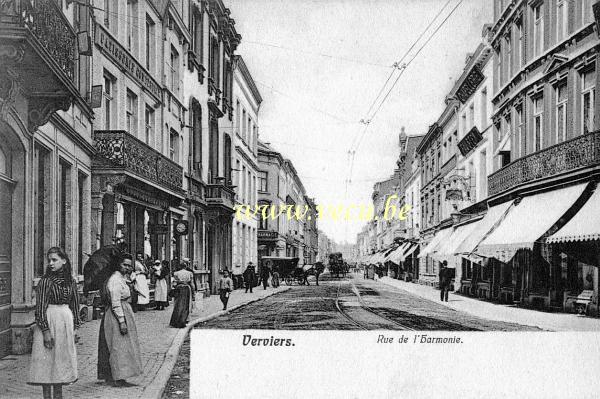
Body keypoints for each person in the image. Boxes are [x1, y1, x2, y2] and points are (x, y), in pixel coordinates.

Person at [29, 247, 81, 399]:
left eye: (55, 260)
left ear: (64, 261)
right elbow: (40, 308)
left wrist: (76, 327)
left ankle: (59, 396)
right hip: (49, 319)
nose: (51, 263)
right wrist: (45, 331)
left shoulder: (70, 281)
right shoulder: (45, 281)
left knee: (61, 360)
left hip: (65, 321)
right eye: (49, 260)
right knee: (47, 361)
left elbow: (75, 304)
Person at [97, 253, 143, 387]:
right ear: (118, 264)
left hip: (124, 311)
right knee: (118, 345)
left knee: (124, 345)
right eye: (125, 265)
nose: (127, 268)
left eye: (129, 265)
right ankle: (117, 377)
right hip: (117, 315)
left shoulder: (122, 278)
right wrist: (122, 321)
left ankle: (120, 375)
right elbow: (115, 302)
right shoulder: (115, 280)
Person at [169, 264, 194, 328]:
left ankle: (176, 320)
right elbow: (192, 283)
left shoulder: (176, 273)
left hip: (179, 288)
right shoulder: (190, 273)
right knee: (186, 304)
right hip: (187, 288)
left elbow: (174, 284)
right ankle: (184, 319)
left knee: (177, 304)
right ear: (185, 267)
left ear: (180, 267)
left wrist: (174, 288)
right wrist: (193, 292)